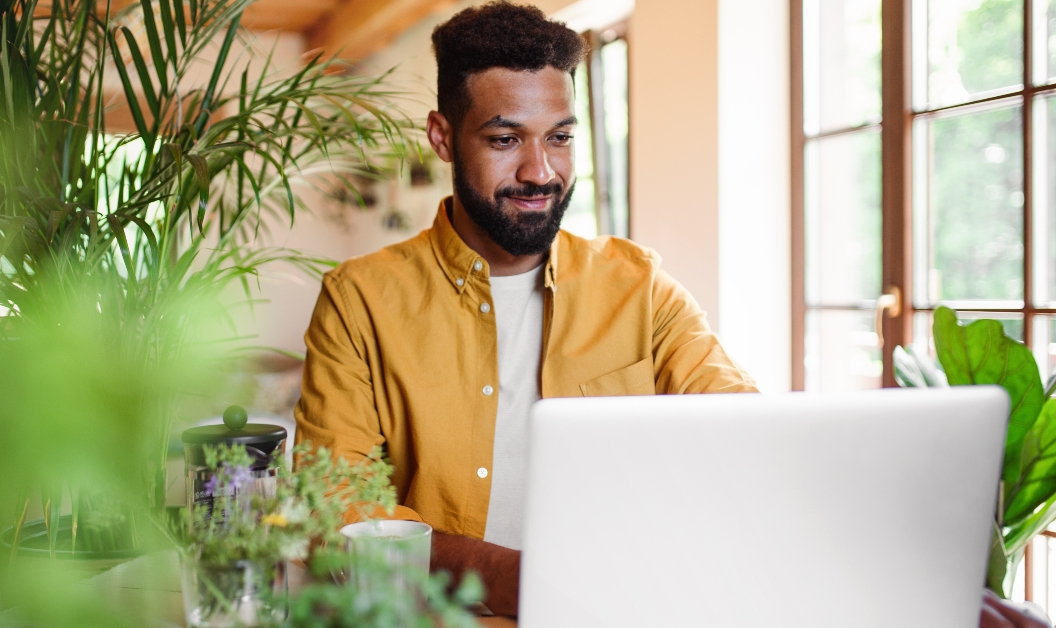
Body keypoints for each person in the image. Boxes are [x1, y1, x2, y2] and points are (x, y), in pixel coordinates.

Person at [293, 4, 1048, 626]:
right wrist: (538, 584)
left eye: (559, 137)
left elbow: (748, 443)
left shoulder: (638, 285)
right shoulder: (359, 301)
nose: (540, 171)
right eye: (504, 139)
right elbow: (342, 518)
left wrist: (908, 584)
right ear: (441, 136)